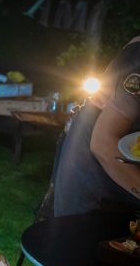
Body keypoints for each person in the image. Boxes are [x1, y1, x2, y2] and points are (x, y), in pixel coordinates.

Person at [53, 36, 140, 217]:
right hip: (92, 167)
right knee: (77, 231)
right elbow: (102, 143)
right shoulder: (137, 63)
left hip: (126, 173)